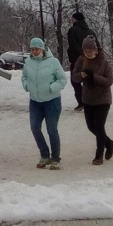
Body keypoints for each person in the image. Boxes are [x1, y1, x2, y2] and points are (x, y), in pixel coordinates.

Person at [20, 36, 68, 168]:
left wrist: (51, 88)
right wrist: (26, 85)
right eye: (32, 49)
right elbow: (24, 76)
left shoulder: (53, 62)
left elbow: (62, 80)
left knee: (51, 129)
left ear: (42, 49)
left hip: (52, 101)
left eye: (37, 49)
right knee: (35, 128)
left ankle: (55, 158)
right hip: (35, 101)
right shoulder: (29, 62)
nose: (35, 51)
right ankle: (44, 154)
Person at [72, 33, 113, 163]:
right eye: (85, 51)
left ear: (96, 50)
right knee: (91, 126)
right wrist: (81, 75)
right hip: (88, 99)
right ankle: (110, 144)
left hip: (103, 99)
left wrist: (94, 77)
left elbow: (109, 81)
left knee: (99, 126)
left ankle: (99, 155)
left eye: (90, 51)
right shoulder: (81, 60)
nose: (88, 53)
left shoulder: (104, 63)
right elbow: (74, 77)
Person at [66, 9, 92, 106]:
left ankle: (81, 102)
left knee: (75, 81)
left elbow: (72, 44)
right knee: (88, 80)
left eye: (72, 18)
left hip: (76, 60)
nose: (71, 20)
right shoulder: (90, 31)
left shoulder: (72, 30)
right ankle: (90, 100)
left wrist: (80, 55)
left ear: (75, 19)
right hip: (90, 60)